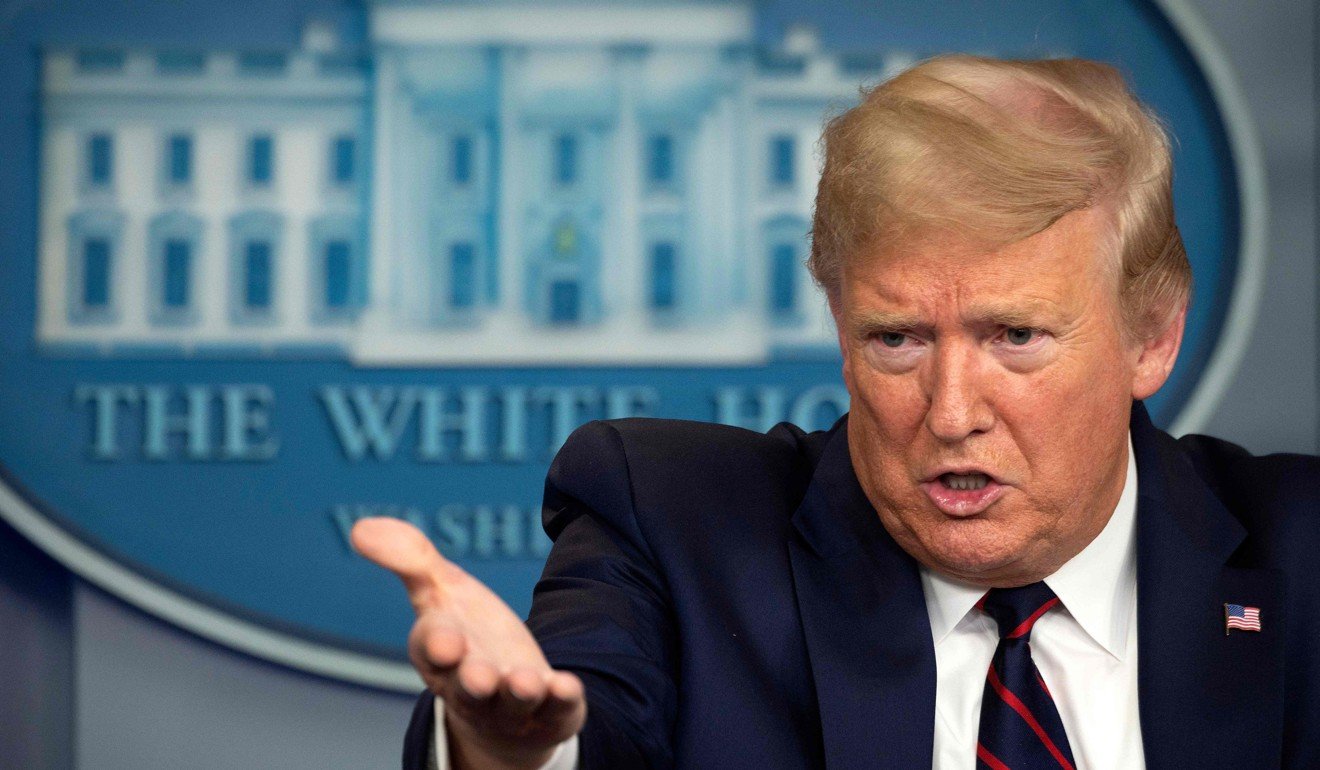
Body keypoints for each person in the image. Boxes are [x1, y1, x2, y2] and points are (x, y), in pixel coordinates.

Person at [352, 55, 1320, 769]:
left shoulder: (1304, 556)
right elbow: (586, 718)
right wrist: (506, 749)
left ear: (1151, 338)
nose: (949, 412)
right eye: (897, 338)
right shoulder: (676, 529)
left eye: (1015, 336)